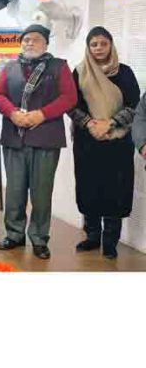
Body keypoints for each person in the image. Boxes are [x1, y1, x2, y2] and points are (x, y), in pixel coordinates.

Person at [0, 24, 77, 260]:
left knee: (41, 192)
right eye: (26, 39)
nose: (29, 43)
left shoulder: (59, 67)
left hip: (46, 137)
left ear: (46, 43)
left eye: (36, 39)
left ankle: (39, 238)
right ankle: (14, 234)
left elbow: (69, 97)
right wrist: (13, 113)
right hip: (14, 136)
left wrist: (41, 114)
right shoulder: (9, 68)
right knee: (15, 191)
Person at [70, 27, 139, 259]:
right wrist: (90, 124)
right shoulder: (79, 72)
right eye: (94, 44)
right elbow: (72, 104)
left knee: (115, 191)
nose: (98, 48)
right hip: (87, 142)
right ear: (88, 48)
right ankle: (92, 237)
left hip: (117, 144)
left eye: (103, 43)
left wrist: (109, 123)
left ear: (111, 45)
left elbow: (134, 106)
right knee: (90, 189)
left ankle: (110, 242)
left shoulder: (125, 73)